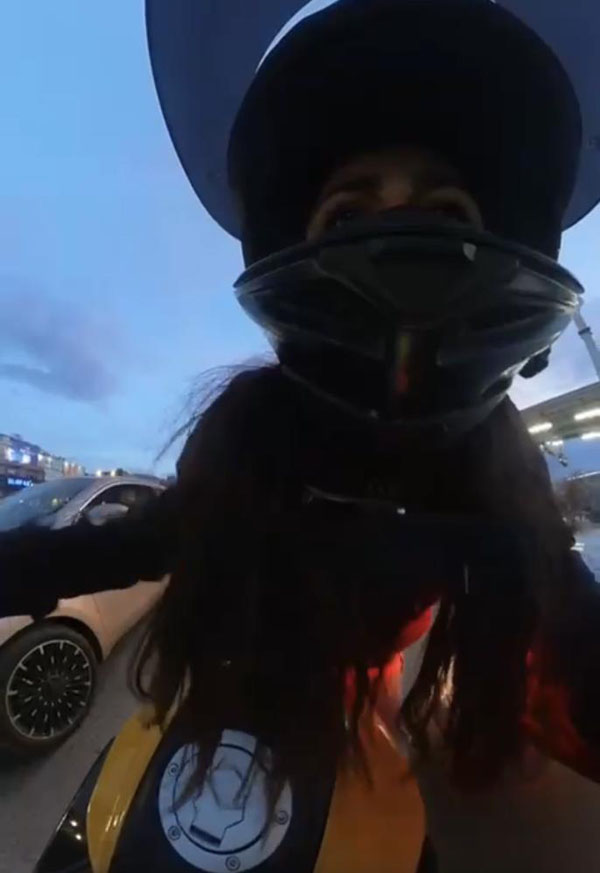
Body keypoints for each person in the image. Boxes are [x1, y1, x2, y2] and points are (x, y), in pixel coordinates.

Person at [11, 1, 600, 871]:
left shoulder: (501, 472)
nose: (398, 241)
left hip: (362, 722)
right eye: (349, 215)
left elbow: (571, 628)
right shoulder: (250, 438)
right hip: (217, 701)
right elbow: (133, 540)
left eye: (444, 212)